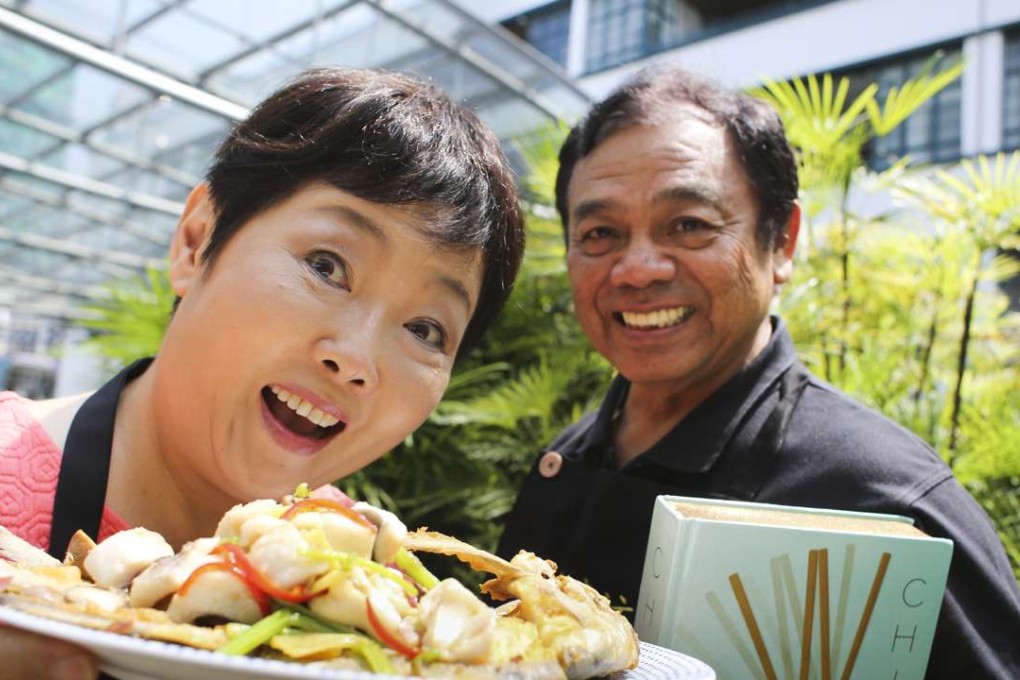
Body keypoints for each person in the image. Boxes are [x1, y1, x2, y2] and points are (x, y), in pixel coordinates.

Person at [0, 67, 524, 680]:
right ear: (197, 242)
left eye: (425, 330)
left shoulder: (374, 597)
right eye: (327, 265)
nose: (355, 359)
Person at [497, 64, 1020, 678]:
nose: (636, 268)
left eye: (689, 224)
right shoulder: (567, 461)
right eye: (600, 233)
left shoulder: (883, 500)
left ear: (783, 242)